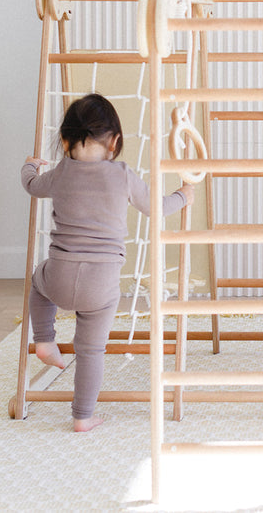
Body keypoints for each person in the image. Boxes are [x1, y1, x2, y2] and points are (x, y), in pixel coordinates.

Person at [20, 93, 193, 432]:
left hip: (59, 274)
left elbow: (30, 184)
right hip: (101, 285)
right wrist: (182, 196)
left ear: (66, 140)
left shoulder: (59, 173)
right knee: (91, 350)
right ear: (114, 142)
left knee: (36, 282)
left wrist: (30, 164)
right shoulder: (122, 175)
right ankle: (82, 416)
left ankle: (43, 340)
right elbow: (155, 208)